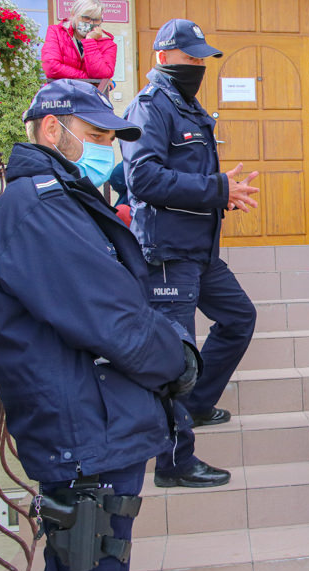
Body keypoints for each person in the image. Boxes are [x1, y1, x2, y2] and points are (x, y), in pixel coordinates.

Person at [0, 79, 201, 571]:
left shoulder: (63, 198)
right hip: (85, 438)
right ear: (53, 129)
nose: (107, 149)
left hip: (96, 426)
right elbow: (113, 320)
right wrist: (178, 361)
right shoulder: (39, 206)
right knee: (93, 561)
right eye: (96, 137)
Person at [121, 19, 260, 488]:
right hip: (166, 252)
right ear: (163, 56)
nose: (199, 64)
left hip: (199, 250)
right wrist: (217, 188)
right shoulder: (150, 107)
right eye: (191, 57)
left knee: (239, 317)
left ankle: (197, 405)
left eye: (203, 58)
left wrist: (219, 194)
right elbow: (143, 179)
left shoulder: (188, 106)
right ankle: (174, 463)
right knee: (176, 355)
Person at [42, 0, 117, 93]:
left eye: (96, 19)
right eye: (86, 18)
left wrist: (90, 42)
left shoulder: (107, 44)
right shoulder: (56, 32)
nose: (91, 23)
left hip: (90, 100)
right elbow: (51, 67)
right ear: (74, 15)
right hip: (59, 97)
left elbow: (102, 74)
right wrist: (88, 80)